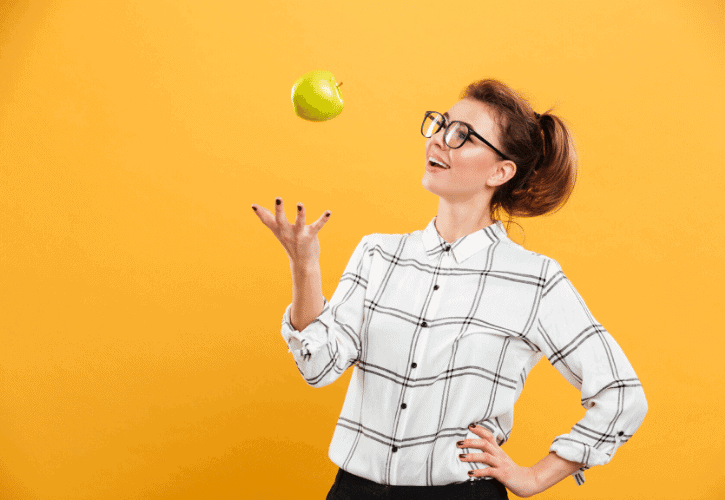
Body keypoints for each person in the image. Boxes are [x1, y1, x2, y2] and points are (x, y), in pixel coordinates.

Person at [251, 78, 648, 499]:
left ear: (500, 171)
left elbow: (622, 396)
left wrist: (535, 478)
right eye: (442, 125)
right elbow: (319, 367)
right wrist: (305, 266)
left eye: (463, 135)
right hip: (354, 490)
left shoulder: (535, 281)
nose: (440, 140)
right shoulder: (377, 254)